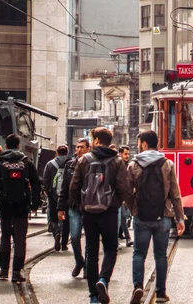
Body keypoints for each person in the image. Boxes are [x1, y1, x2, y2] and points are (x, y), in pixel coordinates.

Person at [70, 127, 131, 304]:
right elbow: (124, 188)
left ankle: (93, 297)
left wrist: (81, 205)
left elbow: (74, 187)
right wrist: (123, 204)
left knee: (91, 252)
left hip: (89, 212)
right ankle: (103, 279)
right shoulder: (117, 161)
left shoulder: (84, 160)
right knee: (111, 249)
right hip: (110, 211)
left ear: (95, 141)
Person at [127, 130, 185, 304]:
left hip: (141, 217)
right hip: (163, 216)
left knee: (138, 253)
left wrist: (134, 209)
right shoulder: (167, 164)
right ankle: (160, 292)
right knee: (160, 255)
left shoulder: (133, 165)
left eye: (139, 143)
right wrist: (180, 218)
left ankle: (138, 286)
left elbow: (127, 192)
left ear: (144, 144)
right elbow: (175, 193)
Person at [0, 134, 40, 283]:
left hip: (5, 203)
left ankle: (4, 269)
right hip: (22, 204)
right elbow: (36, 183)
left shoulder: (0, 163)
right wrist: (35, 203)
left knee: (5, 235)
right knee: (20, 237)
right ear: (19, 146)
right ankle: (17, 271)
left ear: (5, 146)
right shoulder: (26, 162)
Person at [58, 138, 91, 278]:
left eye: (82, 147)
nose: (78, 150)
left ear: (88, 148)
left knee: (90, 238)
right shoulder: (70, 165)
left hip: (89, 207)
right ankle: (79, 262)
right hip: (73, 206)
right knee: (75, 236)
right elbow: (64, 187)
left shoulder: (93, 164)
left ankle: (87, 267)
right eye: (77, 147)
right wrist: (60, 207)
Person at [43, 145, 70, 251]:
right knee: (66, 219)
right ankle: (64, 244)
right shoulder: (71, 162)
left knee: (53, 217)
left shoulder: (50, 164)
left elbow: (45, 180)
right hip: (67, 196)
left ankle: (56, 233)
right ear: (67, 153)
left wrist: (48, 192)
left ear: (57, 153)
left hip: (53, 196)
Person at [118, 145, 133, 247]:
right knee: (122, 217)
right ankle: (127, 237)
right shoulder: (119, 165)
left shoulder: (128, 164)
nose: (127, 156)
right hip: (119, 197)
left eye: (128, 154)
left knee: (124, 217)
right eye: (125, 154)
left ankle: (121, 235)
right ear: (120, 154)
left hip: (125, 196)